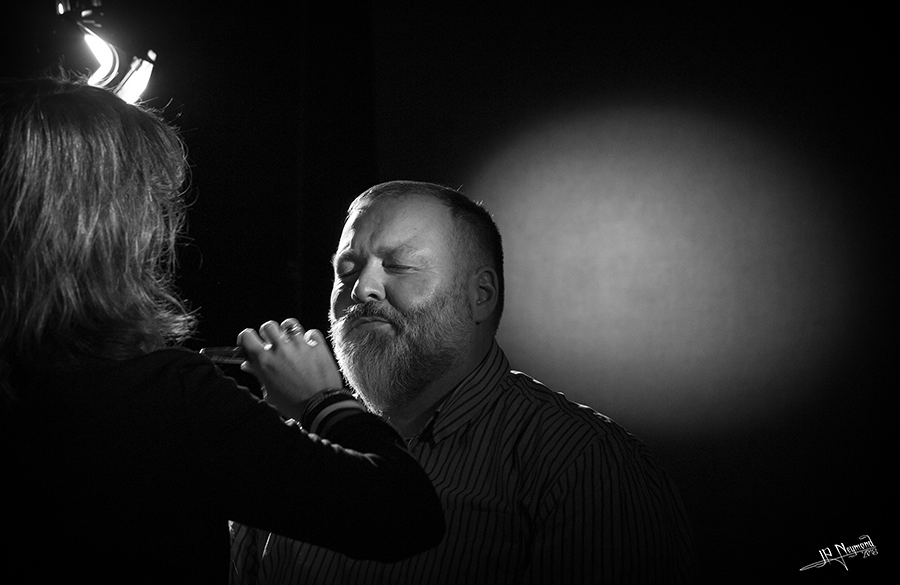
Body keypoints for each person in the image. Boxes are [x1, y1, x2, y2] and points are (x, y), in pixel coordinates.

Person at [0, 78, 444, 584]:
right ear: (114, 226)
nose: (163, 225)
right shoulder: (165, 397)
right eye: (150, 202)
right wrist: (322, 401)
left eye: (399, 265)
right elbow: (405, 515)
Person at [230, 180, 694, 584]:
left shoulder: (584, 463)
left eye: (400, 265)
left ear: (480, 295)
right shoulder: (290, 449)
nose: (361, 289)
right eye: (346, 269)